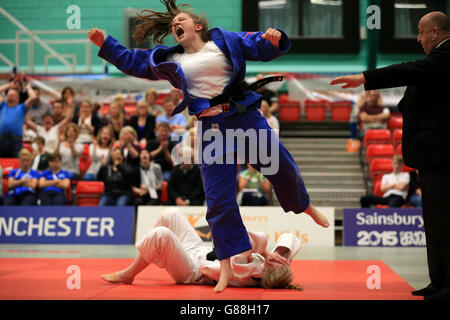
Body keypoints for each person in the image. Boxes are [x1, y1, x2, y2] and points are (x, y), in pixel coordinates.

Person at [89, 0, 328, 292]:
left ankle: (304, 205)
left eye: (182, 20)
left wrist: (274, 40)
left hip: (242, 115)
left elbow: (256, 44)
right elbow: (134, 60)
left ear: (197, 26)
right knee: (217, 199)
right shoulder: (170, 59)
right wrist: (107, 45)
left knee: (278, 164)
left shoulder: (223, 40)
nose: (176, 25)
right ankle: (225, 267)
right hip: (210, 127)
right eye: (173, 24)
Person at [330, 11, 450, 300]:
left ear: (435, 31)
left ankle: (446, 285)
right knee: (434, 223)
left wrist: (364, 77)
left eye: (421, 32)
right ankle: (439, 281)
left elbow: (409, 70)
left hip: (442, 155)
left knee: (443, 223)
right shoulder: (435, 62)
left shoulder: (445, 56)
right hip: (431, 155)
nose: (419, 38)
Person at [101, 207, 302, 290]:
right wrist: (277, 254)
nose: (275, 259)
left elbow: (241, 236)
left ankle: (129, 273)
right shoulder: (269, 267)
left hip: (192, 270)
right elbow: (292, 238)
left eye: (275, 263)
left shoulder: (251, 272)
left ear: (268, 273)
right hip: (199, 250)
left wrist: (265, 251)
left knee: (160, 234)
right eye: (280, 260)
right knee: (170, 214)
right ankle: (156, 255)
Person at [0, 81, 37, 158]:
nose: (10, 97)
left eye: (12, 95)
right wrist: (9, 85)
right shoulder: (3, 105)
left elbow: (33, 97)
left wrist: (28, 87)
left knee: (16, 162)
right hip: (2, 139)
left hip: (16, 140)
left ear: (17, 98)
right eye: (9, 95)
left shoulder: (22, 107)